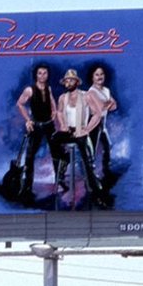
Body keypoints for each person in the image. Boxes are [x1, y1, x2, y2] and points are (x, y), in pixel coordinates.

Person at [50, 69, 107, 206]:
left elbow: (98, 114)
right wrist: (63, 124)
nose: (68, 83)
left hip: (81, 131)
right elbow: (58, 111)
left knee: (87, 162)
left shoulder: (86, 96)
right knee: (54, 139)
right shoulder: (63, 98)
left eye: (70, 80)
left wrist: (86, 130)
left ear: (76, 82)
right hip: (68, 130)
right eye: (66, 81)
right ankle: (63, 165)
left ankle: (97, 194)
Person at [14, 63, 64, 201]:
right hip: (36, 126)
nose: (42, 76)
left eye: (45, 73)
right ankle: (26, 188)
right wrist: (27, 120)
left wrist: (54, 111)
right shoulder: (30, 90)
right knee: (29, 157)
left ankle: (59, 182)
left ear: (48, 75)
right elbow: (19, 103)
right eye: (40, 73)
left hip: (48, 125)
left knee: (56, 153)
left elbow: (52, 101)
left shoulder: (48, 88)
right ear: (36, 75)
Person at [85, 64, 118, 178]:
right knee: (92, 149)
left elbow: (114, 106)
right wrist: (106, 104)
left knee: (108, 146)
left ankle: (106, 169)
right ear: (92, 77)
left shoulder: (106, 90)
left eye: (101, 74)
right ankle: (90, 174)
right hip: (94, 122)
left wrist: (105, 105)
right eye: (97, 75)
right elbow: (99, 109)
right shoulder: (91, 92)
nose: (99, 77)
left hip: (102, 123)